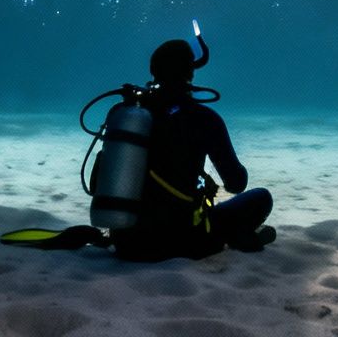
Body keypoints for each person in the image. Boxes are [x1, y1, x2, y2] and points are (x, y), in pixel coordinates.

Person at [109, 36, 276, 261]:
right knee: (261, 197)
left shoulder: (127, 114)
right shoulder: (204, 118)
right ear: (190, 73)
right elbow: (237, 183)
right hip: (182, 242)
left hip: (126, 243)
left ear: (153, 71)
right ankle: (237, 235)